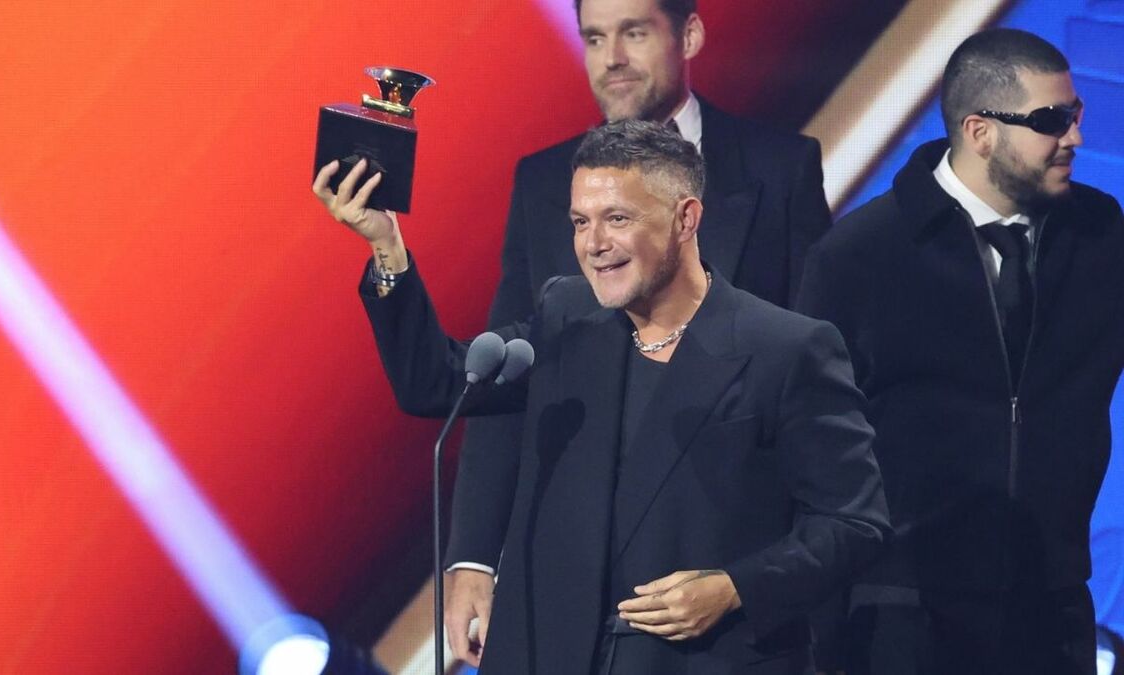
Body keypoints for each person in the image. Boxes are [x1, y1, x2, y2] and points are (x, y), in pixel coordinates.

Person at [315, 120, 888, 675]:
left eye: (616, 219)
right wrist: (386, 246)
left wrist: (736, 588)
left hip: (696, 660)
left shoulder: (786, 348)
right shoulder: (568, 318)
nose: (593, 244)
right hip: (548, 654)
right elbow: (436, 380)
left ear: (686, 219)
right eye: (579, 221)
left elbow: (852, 523)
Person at [449, 0, 834, 665]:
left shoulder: (779, 169)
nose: (612, 59)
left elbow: (822, 390)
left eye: (634, 32)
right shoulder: (545, 182)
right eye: (595, 37)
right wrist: (474, 555)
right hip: (579, 578)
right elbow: (504, 381)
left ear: (689, 34)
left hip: (724, 574)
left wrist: (783, 580)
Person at [795, 28, 1124, 675]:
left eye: (1076, 116)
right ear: (980, 132)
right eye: (1051, 121)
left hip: (1051, 609)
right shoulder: (860, 256)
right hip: (902, 612)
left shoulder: (1102, 236)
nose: (1075, 139)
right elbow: (807, 447)